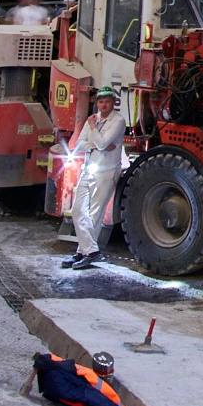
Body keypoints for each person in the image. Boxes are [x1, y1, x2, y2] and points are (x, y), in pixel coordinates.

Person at [64, 87, 126, 270]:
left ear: (113, 103)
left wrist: (93, 133)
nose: (103, 105)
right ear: (97, 103)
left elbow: (103, 142)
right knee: (78, 210)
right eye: (100, 102)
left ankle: (83, 252)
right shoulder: (93, 119)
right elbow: (80, 144)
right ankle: (90, 251)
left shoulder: (118, 121)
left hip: (106, 171)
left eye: (107, 101)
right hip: (89, 169)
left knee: (95, 214)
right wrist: (94, 144)